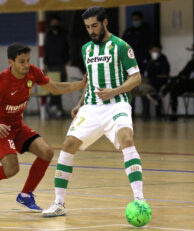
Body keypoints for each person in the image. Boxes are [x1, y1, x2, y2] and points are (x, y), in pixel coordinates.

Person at [42, 6, 144, 217]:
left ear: (105, 22)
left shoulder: (121, 46)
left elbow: (136, 78)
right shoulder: (86, 49)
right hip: (91, 106)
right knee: (68, 144)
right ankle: (59, 203)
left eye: (94, 26)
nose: (91, 31)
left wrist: (114, 91)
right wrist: (80, 103)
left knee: (127, 139)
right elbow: (90, 81)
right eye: (87, 27)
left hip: (117, 104)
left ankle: (139, 199)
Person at [0, 43, 87, 212]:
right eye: (21, 61)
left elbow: (54, 88)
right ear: (10, 62)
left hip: (17, 127)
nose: (26, 65)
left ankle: (26, 195)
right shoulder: (2, 81)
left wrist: (81, 84)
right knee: (12, 169)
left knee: (47, 152)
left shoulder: (33, 72)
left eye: (28, 60)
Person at [160, 41, 194, 121]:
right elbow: (182, 73)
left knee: (176, 80)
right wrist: (183, 78)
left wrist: (187, 79)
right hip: (185, 84)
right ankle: (174, 114)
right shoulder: (191, 62)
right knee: (174, 88)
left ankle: (162, 93)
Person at [133, 44, 170, 119]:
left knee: (144, 89)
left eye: (158, 51)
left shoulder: (164, 62)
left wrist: (149, 80)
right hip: (142, 82)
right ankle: (131, 114)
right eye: (154, 51)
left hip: (155, 84)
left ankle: (145, 114)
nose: (155, 53)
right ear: (150, 51)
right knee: (130, 89)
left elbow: (163, 78)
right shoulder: (146, 60)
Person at [44, 15, 70, 119]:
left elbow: (68, 47)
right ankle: (54, 108)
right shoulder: (48, 35)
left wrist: (68, 60)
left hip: (61, 65)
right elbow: (46, 50)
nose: (54, 25)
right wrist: (45, 64)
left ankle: (58, 108)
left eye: (56, 23)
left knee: (61, 87)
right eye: (52, 23)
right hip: (51, 66)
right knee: (53, 88)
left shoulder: (64, 34)